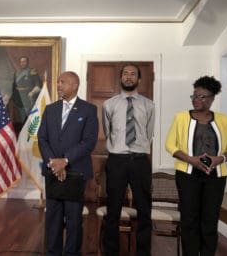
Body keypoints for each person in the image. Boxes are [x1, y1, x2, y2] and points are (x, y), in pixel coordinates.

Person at [165, 76, 227, 256]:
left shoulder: (224, 120)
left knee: (210, 221)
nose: (196, 99)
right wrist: (191, 160)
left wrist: (219, 159)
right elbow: (170, 145)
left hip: (216, 176)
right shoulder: (181, 117)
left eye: (202, 96)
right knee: (189, 220)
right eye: (194, 95)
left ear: (212, 98)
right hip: (188, 175)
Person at [38, 71, 98, 256]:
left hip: (76, 173)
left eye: (62, 82)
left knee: (73, 220)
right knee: (53, 218)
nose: (58, 85)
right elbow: (42, 138)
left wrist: (64, 161)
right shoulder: (51, 109)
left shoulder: (88, 109)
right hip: (52, 171)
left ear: (75, 85)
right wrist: (54, 163)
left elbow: (89, 141)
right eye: (58, 82)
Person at [102, 63, 155, 256]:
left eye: (133, 74)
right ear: (121, 78)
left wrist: (138, 148)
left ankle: (143, 253)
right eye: (125, 74)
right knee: (113, 209)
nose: (129, 77)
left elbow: (149, 134)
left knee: (144, 210)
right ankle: (110, 252)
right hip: (117, 160)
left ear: (139, 79)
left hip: (140, 160)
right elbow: (108, 132)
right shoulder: (109, 104)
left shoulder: (149, 105)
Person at [9, 56, 43, 133]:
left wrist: (32, 92)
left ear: (27, 62)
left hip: (28, 98)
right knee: (18, 118)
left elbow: (38, 86)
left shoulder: (32, 72)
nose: (22, 63)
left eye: (24, 61)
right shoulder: (17, 73)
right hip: (18, 98)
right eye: (21, 62)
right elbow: (13, 87)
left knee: (28, 118)